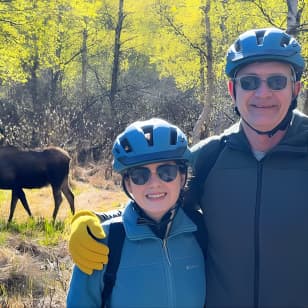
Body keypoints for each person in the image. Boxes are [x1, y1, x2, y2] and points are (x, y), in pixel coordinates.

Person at [68, 27, 308, 307]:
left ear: (296, 88)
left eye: (277, 81)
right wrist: (91, 220)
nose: (263, 93)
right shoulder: (210, 156)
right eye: (250, 82)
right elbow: (156, 197)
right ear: (232, 90)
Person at [67, 118, 206, 307]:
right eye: (140, 175)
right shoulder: (102, 242)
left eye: (166, 172)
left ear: (182, 178)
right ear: (128, 183)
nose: (154, 183)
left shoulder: (201, 232)